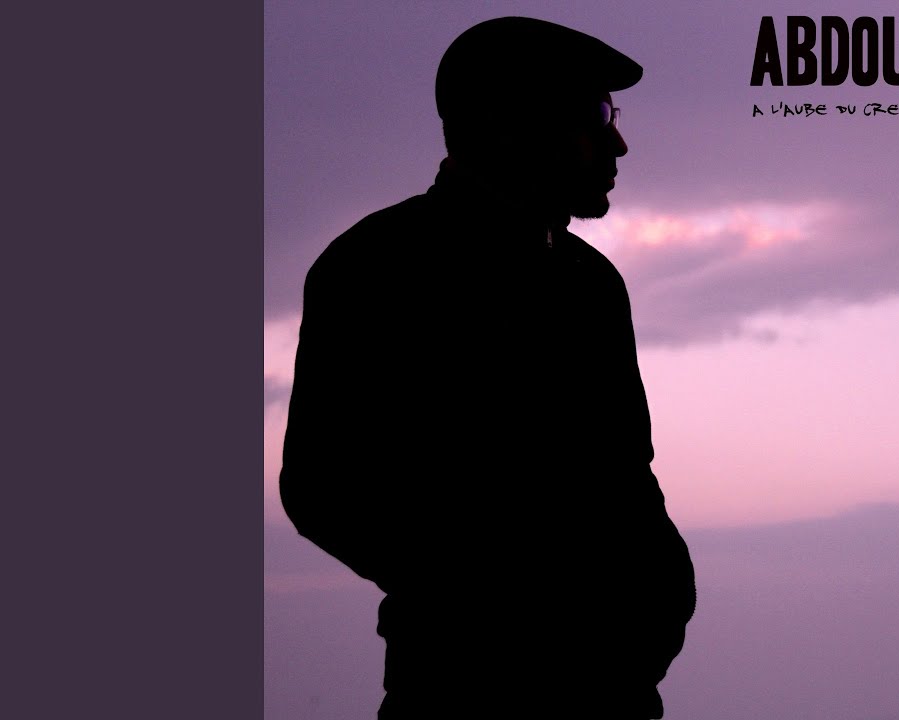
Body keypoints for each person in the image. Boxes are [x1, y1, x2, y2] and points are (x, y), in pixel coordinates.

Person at [278, 16, 697, 720]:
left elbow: (627, 476)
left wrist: (655, 600)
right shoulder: (377, 267)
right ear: (512, 124)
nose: (618, 142)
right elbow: (322, 488)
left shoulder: (591, 283)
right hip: (461, 697)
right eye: (598, 115)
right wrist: (493, 604)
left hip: (616, 699)